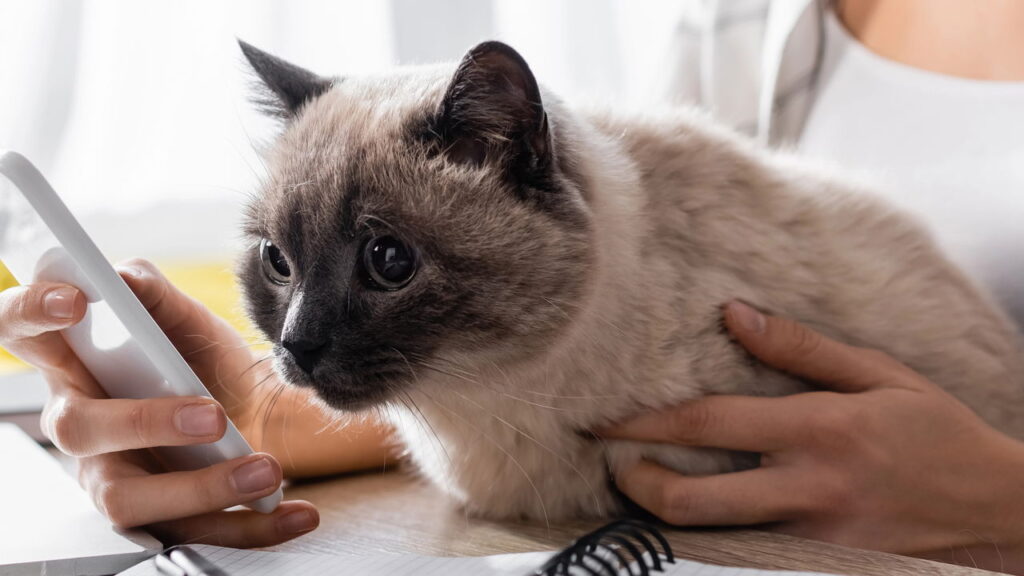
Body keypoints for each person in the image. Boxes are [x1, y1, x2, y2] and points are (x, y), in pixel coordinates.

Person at [1, 0, 1022, 571]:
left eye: (386, 264)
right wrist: (242, 428)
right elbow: (556, 361)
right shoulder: (751, 32)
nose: (300, 323)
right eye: (276, 264)